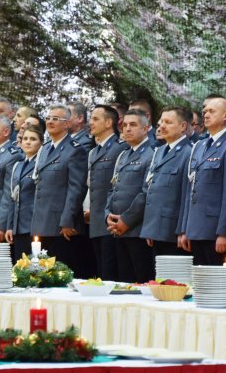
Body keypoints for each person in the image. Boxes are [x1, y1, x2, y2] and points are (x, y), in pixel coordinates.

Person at [178, 96, 226, 266]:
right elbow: (191, 189)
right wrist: (185, 229)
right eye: (204, 111)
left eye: (212, 111)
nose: (206, 115)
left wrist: (224, 232)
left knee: (216, 277)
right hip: (196, 227)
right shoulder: (199, 146)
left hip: (214, 230)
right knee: (199, 278)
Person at [29, 104, 87, 268]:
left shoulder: (75, 150)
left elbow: (76, 188)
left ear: (67, 123)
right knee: (41, 271)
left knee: (61, 271)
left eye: (56, 119)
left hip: (61, 225)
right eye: (48, 118)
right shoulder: (45, 148)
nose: (50, 122)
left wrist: (67, 219)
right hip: (41, 222)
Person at [105, 109, 155, 283]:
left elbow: (146, 193)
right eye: (125, 125)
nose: (127, 129)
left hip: (137, 230)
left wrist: (125, 221)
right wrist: (108, 216)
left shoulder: (152, 154)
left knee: (141, 282)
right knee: (123, 283)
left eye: (133, 125)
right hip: (117, 230)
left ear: (146, 128)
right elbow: (113, 188)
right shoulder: (123, 155)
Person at [141, 106, 193, 257]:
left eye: (168, 122)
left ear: (183, 126)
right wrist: (150, 227)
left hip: (173, 230)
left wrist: (183, 230)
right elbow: (152, 189)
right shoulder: (159, 151)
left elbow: (187, 195)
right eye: (161, 122)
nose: (162, 126)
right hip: (156, 228)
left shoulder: (189, 152)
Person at [85, 104, 125, 280]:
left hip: (110, 221)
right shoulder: (94, 151)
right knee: (100, 273)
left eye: (95, 119)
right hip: (95, 221)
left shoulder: (119, 148)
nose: (91, 123)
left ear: (109, 123)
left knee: (110, 274)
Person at [2, 125, 44, 260]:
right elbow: (13, 198)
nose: (28, 142)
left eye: (33, 139)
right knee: (19, 266)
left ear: (41, 143)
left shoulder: (42, 164)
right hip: (18, 226)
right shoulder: (18, 165)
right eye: (25, 138)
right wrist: (10, 226)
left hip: (35, 224)